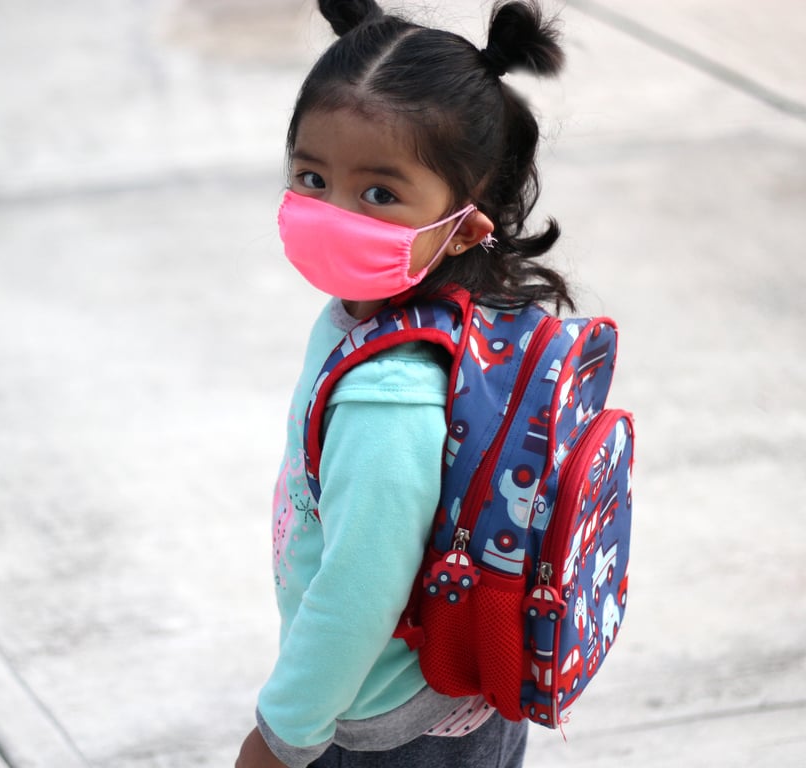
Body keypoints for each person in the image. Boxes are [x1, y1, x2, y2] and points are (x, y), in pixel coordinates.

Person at [235, 1, 574, 766]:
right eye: (311, 176)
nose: (334, 212)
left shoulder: (390, 395)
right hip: (447, 691)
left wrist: (281, 734)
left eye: (380, 194)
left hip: (387, 723)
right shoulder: (428, 311)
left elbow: (356, 599)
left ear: (465, 222)